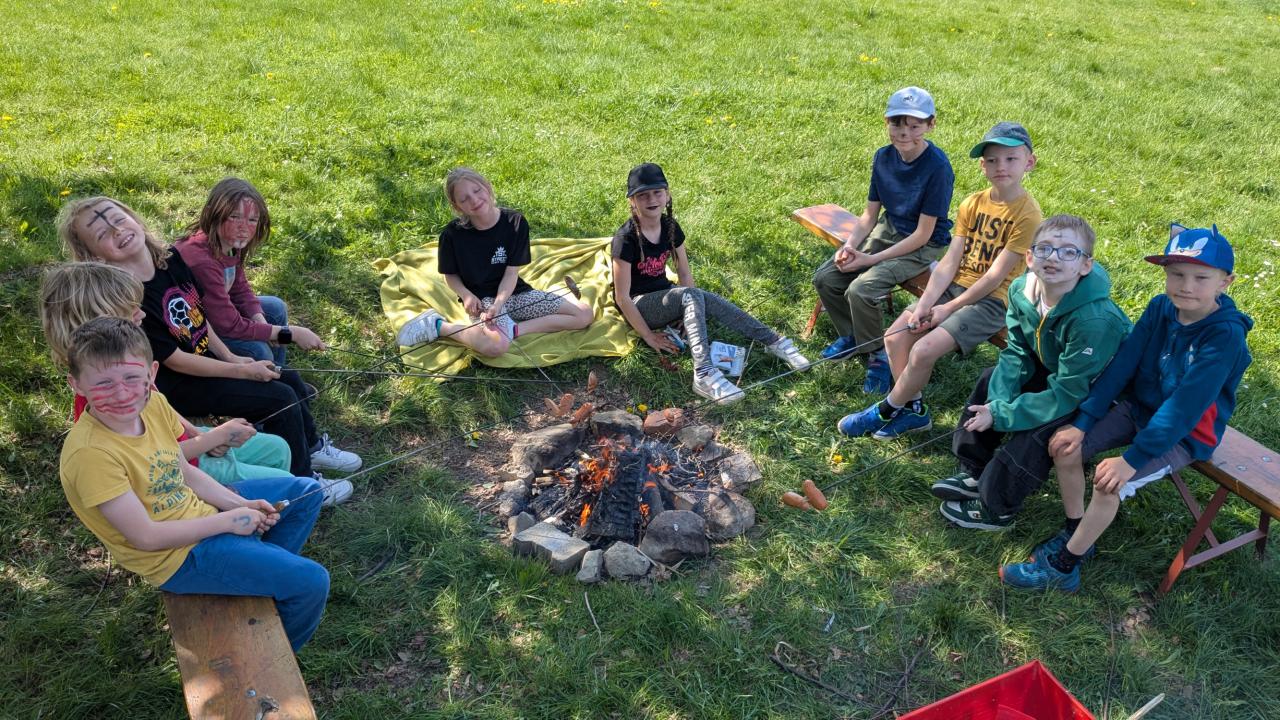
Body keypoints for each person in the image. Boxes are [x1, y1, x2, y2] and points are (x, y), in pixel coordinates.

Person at [1001, 224, 1253, 592]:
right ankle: (1076, 531)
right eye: (1176, 274)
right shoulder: (1161, 307)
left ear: (1225, 282)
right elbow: (1123, 365)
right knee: (1064, 445)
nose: (1186, 286)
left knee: (1109, 484)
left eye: (1201, 278)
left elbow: (1184, 409)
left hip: (1185, 433)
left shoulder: (1224, 336)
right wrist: (1083, 421)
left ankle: (1064, 567)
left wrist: (1131, 461)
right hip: (1140, 408)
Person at [59, 317, 329, 651]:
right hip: (177, 557)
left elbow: (182, 471)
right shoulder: (91, 454)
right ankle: (271, 654)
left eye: (132, 377)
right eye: (104, 383)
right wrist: (228, 521)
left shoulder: (153, 405)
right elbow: (146, 537)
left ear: (151, 374)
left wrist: (239, 505)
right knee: (311, 582)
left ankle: (255, 576)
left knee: (308, 492)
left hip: (200, 514)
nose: (122, 393)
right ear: (77, 385)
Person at [57, 196, 362, 487]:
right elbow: (176, 360)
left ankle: (311, 448)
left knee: (288, 378)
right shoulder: (127, 300)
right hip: (179, 384)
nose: (117, 231)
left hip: (207, 361)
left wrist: (231, 357)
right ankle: (304, 480)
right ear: (93, 256)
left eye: (118, 219)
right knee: (278, 398)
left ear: (134, 219)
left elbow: (199, 318)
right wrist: (241, 371)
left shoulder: (169, 260)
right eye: (102, 233)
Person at [837, 122, 1042, 440]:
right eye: (992, 160)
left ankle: (885, 410)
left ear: (1029, 162)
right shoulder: (972, 203)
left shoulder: (1028, 215)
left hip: (991, 301)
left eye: (1011, 159)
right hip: (954, 286)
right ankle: (915, 410)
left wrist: (948, 308)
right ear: (982, 165)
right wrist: (926, 303)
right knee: (895, 337)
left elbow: (995, 276)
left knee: (923, 350)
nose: (1001, 166)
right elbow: (949, 261)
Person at [931, 215, 1131, 530]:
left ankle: (997, 507)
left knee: (1039, 432)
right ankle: (973, 468)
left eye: (1069, 252)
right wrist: (997, 405)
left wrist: (1003, 415)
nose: (1054, 257)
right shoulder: (1021, 290)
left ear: (1085, 266)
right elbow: (1017, 351)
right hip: (1056, 368)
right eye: (1044, 248)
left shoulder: (1094, 321)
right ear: (1029, 257)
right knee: (990, 379)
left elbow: (1067, 393)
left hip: (1098, 393)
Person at [38, 261, 311, 490]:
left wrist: (198, 433)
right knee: (287, 483)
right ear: (98, 321)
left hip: (185, 443)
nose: (142, 313)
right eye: (129, 309)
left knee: (278, 449)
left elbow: (161, 408)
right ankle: (252, 524)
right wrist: (212, 439)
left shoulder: (127, 363)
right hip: (179, 471)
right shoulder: (113, 397)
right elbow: (151, 463)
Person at [610, 163, 811, 404]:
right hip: (639, 305)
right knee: (691, 296)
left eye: (657, 192)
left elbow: (684, 273)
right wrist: (648, 336)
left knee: (697, 295)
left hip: (666, 295)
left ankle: (773, 341)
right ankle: (703, 374)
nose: (651, 199)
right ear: (632, 201)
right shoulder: (626, 239)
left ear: (667, 194)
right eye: (643, 195)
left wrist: (689, 312)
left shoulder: (670, 227)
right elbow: (622, 297)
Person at [812, 86, 955, 394]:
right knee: (826, 278)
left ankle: (878, 355)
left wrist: (871, 259)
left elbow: (923, 233)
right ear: (886, 122)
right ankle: (855, 336)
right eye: (897, 124)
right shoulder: (883, 157)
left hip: (923, 243)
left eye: (915, 126)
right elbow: (869, 215)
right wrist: (850, 246)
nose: (905, 133)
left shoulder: (938, 168)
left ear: (931, 125)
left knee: (862, 289)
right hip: (889, 228)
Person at [396, 167, 594, 356]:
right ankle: (438, 326)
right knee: (496, 346)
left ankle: (514, 330)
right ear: (457, 206)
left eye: (477, 190)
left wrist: (500, 304)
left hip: (515, 293)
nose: (474, 200)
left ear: (488, 186)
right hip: (482, 301)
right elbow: (450, 275)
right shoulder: (452, 235)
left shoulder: (515, 222)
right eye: (464, 199)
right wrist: (466, 295)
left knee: (584, 314)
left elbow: (511, 273)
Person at [175, 177, 326, 368]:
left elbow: (239, 289)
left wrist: (263, 325)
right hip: (193, 329)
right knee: (259, 351)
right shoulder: (201, 261)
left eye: (252, 220)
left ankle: (278, 372)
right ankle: (266, 376)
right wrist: (290, 333)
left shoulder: (229, 242)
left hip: (216, 314)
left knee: (276, 308)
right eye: (234, 217)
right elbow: (228, 325)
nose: (243, 228)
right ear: (214, 214)